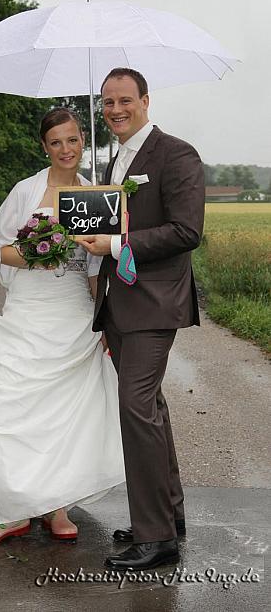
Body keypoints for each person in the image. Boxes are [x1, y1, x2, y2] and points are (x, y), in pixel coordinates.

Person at [0, 107, 124, 546]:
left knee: (63, 416)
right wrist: (36, 251)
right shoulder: (26, 190)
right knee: (8, 404)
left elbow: (96, 268)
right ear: (44, 147)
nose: (66, 149)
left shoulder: (96, 196)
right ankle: (2, 513)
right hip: (29, 310)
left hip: (72, 314)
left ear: (82, 142)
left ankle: (57, 506)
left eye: (73, 140)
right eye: (56, 142)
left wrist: (105, 321)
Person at [80, 68, 205, 570]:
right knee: (149, 406)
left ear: (146, 100)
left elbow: (185, 231)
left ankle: (156, 541)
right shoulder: (113, 158)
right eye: (107, 102)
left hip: (155, 302)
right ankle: (167, 517)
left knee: (135, 407)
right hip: (117, 301)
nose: (115, 110)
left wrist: (116, 243)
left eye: (124, 100)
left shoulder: (176, 154)